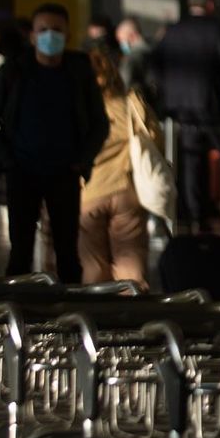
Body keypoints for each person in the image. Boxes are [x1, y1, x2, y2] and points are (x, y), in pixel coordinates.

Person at [0, 3, 108, 281]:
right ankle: (20, 312)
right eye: (43, 30)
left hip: (64, 172)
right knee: (20, 251)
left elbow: (99, 123)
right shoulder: (14, 71)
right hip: (22, 172)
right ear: (32, 36)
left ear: (68, 34)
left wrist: (82, 160)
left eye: (57, 30)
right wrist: (7, 160)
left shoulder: (79, 71)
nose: (50, 35)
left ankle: (70, 313)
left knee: (67, 253)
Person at [149, 0, 220, 232]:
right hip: (210, 106)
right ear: (210, 5)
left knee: (191, 162)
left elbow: (154, 65)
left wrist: (168, 90)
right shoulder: (216, 29)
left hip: (178, 108)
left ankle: (194, 213)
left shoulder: (173, 31)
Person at [77, 47, 156, 286]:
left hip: (88, 193)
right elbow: (154, 139)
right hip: (127, 191)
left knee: (92, 264)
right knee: (130, 259)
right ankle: (132, 312)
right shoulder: (131, 104)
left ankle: (97, 314)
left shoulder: (76, 109)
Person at [114, 17, 153, 95]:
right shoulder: (155, 49)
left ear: (132, 35)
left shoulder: (131, 58)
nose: (121, 44)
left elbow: (124, 84)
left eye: (121, 40)